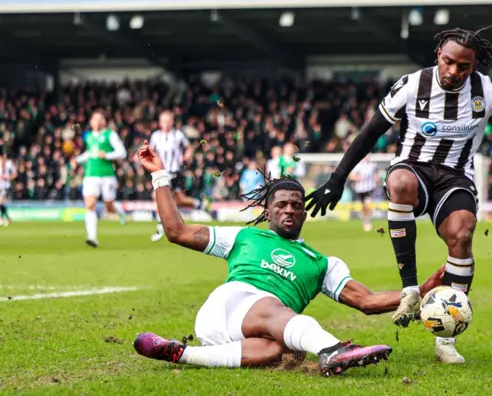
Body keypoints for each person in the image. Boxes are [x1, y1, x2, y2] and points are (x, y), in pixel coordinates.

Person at [305, 25, 492, 364]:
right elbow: (369, 133)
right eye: (448, 62)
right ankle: (409, 290)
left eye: (463, 66)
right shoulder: (411, 85)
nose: (453, 72)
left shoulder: (486, 91)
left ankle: (446, 340)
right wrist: (337, 178)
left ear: (474, 65)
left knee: (462, 234)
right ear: (438, 55)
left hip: (455, 179)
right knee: (400, 183)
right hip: (414, 168)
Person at [133, 140, 445, 376]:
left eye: (296, 205)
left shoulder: (322, 263)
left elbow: (367, 300)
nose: (289, 210)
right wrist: (160, 175)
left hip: (249, 335)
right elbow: (176, 231)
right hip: (227, 306)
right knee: (275, 309)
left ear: (305, 212)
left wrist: (418, 291)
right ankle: (331, 350)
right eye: (281, 205)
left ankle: (183, 354)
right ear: (267, 212)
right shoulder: (244, 236)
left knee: (278, 351)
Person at [149, 110, 206, 242]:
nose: (166, 123)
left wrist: (186, 156)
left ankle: (160, 227)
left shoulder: (177, 134)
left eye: (168, 120)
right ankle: (200, 204)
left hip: (174, 172)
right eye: (163, 121)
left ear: (172, 122)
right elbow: (151, 151)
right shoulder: (156, 135)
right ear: (159, 122)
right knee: (176, 199)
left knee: (162, 197)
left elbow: (188, 147)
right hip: (161, 171)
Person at [75, 111, 127, 247]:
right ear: (91, 122)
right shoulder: (89, 137)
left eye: (100, 119)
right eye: (95, 119)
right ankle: (92, 237)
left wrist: (107, 155)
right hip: (90, 174)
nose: (97, 122)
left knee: (109, 207)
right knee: (90, 205)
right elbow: (90, 153)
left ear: (104, 122)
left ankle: (118, 209)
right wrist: (78, 160)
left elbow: (122, 152)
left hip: (107, 175)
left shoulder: (110, 135)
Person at [349, 155, 378, 232]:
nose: (367, 157)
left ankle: (367, 221)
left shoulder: (372, 165)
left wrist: (377, 179)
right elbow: (351, 176)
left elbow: (375, 175)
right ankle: (366, 219)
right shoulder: (358, 166)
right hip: (360, 189)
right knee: (364, 206)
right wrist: (358, 178)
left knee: (368, 204)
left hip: (370, 188)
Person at [0, 149, 17, 227]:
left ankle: (2, 219)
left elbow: (15, 174)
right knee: (1, 204)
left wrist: (8, 177)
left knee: (0, 201)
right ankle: (7, 218)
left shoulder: (9, 163)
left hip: (5, 186)